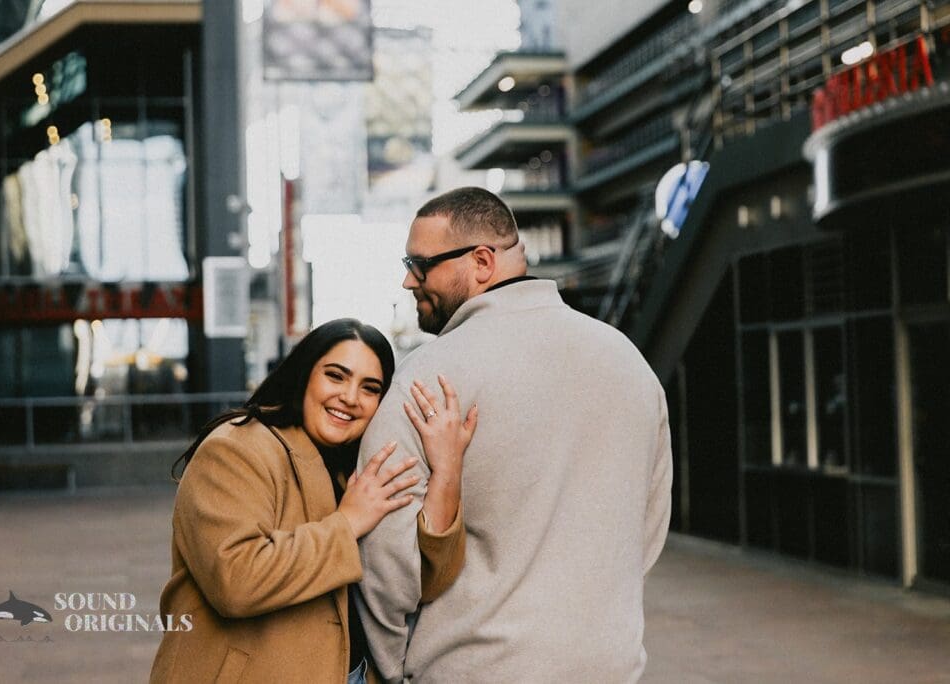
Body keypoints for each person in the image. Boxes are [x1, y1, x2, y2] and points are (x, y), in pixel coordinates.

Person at [356, 187, 673, 683]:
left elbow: (386, 561)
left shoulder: (428, 379)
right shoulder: (629, 363)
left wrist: (394, 668)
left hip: (476, 669)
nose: (407, 280)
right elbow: (648, 530)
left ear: (482, 261)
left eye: (419, 264)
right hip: (609, 666)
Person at [150, 318, 477, 684]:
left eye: (369, 388)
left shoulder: (361, 471)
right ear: (304, 374)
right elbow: (235, 580)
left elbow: (425, 582)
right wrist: (348, 523)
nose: (350, 397)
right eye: (336, 376)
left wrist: (447, 471)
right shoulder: (235, 448)